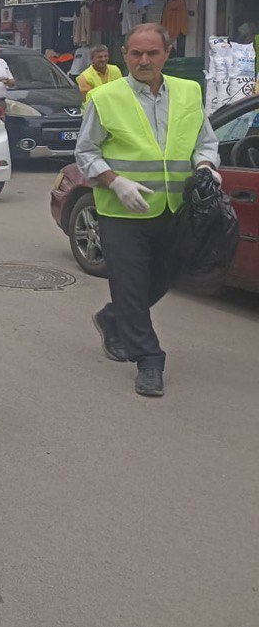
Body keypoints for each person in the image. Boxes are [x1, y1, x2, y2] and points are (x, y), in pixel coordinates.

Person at [76, 23, 219, 398]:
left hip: (174, 209)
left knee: (163, 278)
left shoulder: (189, 92)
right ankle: (149, 360)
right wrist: (115, 182)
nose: (143, 61)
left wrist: (205, 167)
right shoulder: (104, 98)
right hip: (121, 213)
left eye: (152, 53)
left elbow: (206, 142)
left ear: (167, 53)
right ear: (125, 54)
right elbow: (85, 152)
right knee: (131, 284)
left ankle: (113, 317)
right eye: (136, 53)